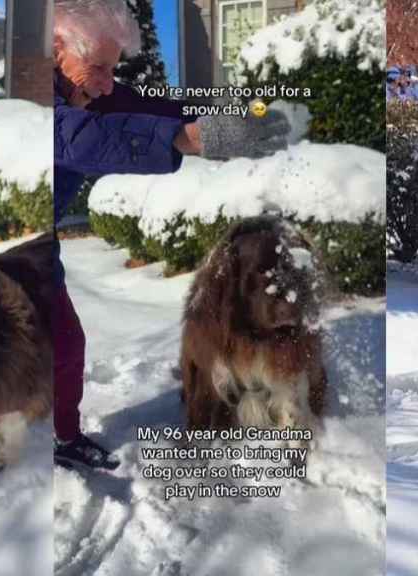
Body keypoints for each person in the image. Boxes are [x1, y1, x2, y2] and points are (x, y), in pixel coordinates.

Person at [51, 0, 291, 470]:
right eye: (96, 68)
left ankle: (61, 437)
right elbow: (77, 137)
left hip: (41, 247)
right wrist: (184, 139)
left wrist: (234, 114)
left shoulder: (93, 90)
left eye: (111, 70)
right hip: (9, 254)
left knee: (63, 342)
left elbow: (155, 108)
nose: (105, 84)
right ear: (56, 48)